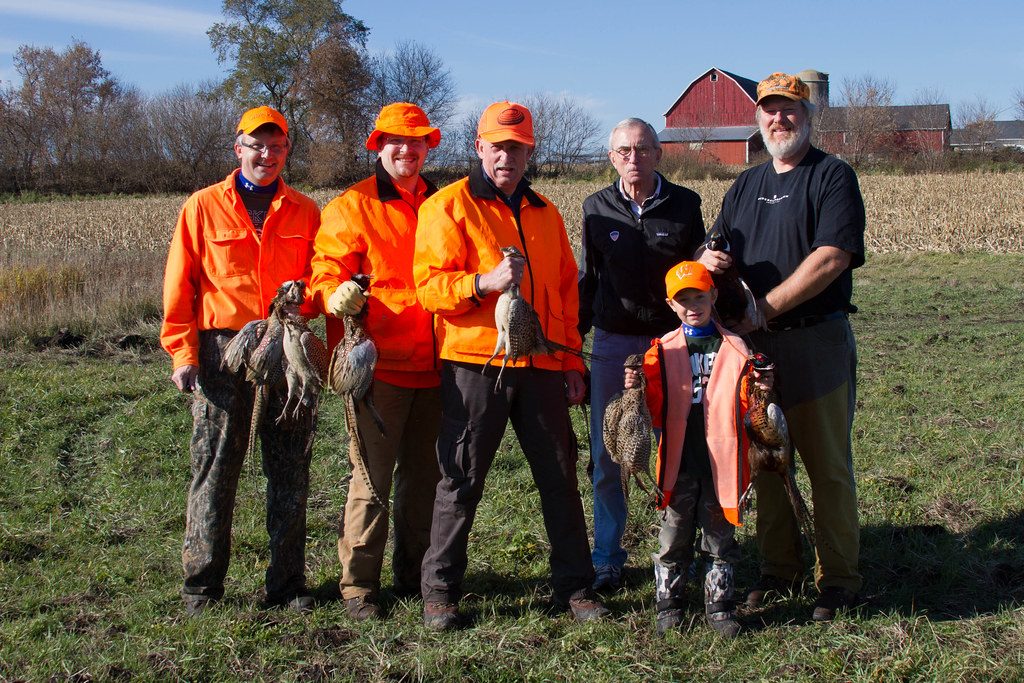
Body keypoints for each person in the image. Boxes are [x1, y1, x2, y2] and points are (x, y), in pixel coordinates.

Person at [412, 100, 606, 630]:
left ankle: (576, 587)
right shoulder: (448, 206)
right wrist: (483, 283)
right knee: (461, 477)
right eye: (497, 146)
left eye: (517, 148)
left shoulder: (545, 213)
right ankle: (440, 593)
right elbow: (428, 287)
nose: (506, 157)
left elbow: (565, 292)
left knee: (560, 475)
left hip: (542, 362)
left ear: (529, 152)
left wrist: (570, 361)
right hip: (475, 365)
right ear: (478, 147)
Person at [698, 72, 866, 622]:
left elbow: (832, 256)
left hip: (815, 343)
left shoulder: (832, 176)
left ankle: (838, 578)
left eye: (789, 109)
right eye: (769, 110)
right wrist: (707, 259)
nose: (779, 119)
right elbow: (713, 245)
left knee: (826, 466)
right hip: (757, 351)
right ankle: (778, 568)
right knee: (767, 463)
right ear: (758, 119)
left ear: (808, 116)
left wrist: (764, 308)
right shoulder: (745, 185)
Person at [161, 106, 321, 615]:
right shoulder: (203, 206)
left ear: (286, 151)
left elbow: (320, 281)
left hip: (287, 346)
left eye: (276, 146)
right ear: (239, 148)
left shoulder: (306, 210)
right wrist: (183, 353)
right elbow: (180, 286)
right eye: (257, 145)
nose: (266, 155)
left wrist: (316, 307)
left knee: (290, 468)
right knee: (215, 466)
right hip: (222, 351)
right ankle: (202, 586)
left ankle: (288, 584)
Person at [310, 103, 442, 621]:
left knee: (426, 481)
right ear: (379, 146)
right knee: (371, 480)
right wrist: (333, 294)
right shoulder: (352, 206)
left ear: (428, 147)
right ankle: (358, 588)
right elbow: (325, 270)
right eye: (396, 141)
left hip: (439, 365)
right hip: (378, 367)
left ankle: (414, 576)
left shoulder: (443, 202)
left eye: (416, 141)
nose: (407, 150)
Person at [578, 118, 705, 592]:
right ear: (612, 157)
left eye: (643, 149)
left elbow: (698, 276)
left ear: (658, 153)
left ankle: (677, 555)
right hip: (612, 345)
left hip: (669, 344)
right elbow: (588, 280)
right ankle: (607, 559)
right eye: (624, 151)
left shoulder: (685, 205)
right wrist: (574, 349)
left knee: (676, 450)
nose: (634, 158)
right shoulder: (596, 208)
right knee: (609, 453)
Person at [624, 260, 770, 638]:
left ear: (713, 296)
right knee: (673, 533)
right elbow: (653, 408)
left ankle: (719, 606)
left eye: (699, 297)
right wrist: (635, 388)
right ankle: (669, 602)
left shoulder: (736, 348)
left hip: (722, 461)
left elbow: (748, 406)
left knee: (719, 536)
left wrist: (761, 390)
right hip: (680, 460)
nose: (692, 306)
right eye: (683, 299)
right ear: (671, 304)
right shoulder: (661, 351)